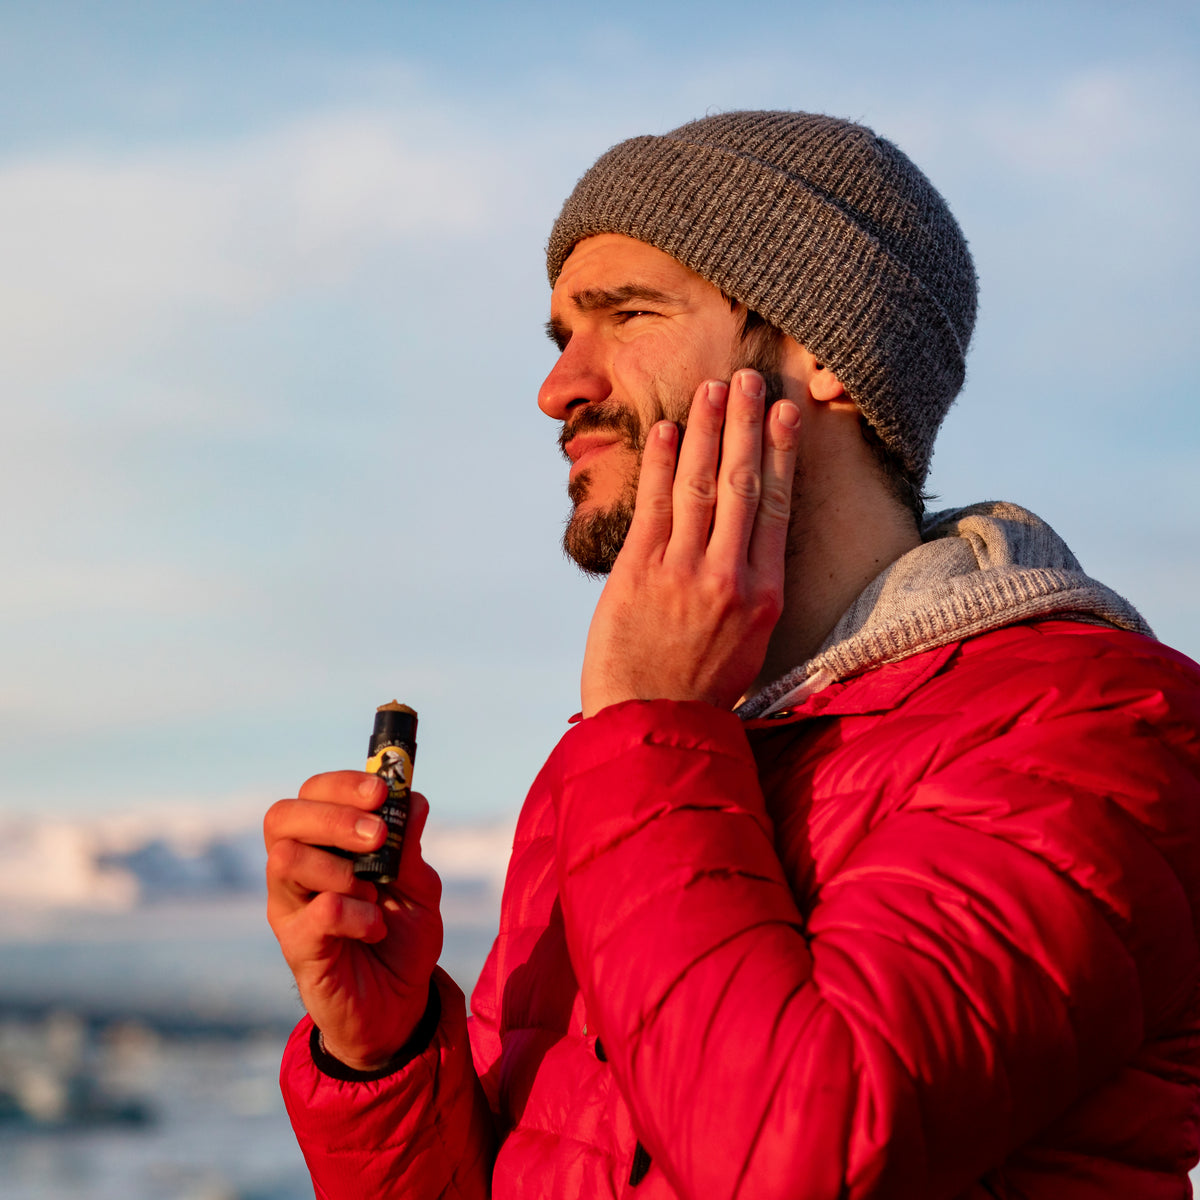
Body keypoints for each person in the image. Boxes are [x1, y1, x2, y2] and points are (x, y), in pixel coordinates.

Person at [265, 111, 1200, 1198]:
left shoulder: (1090, 727)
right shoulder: (635, 761)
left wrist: (648, 725)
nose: (558, 387)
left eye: (626, 313)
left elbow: (802, 1156)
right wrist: (380, 1057)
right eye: (562, 334)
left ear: (825, 355)